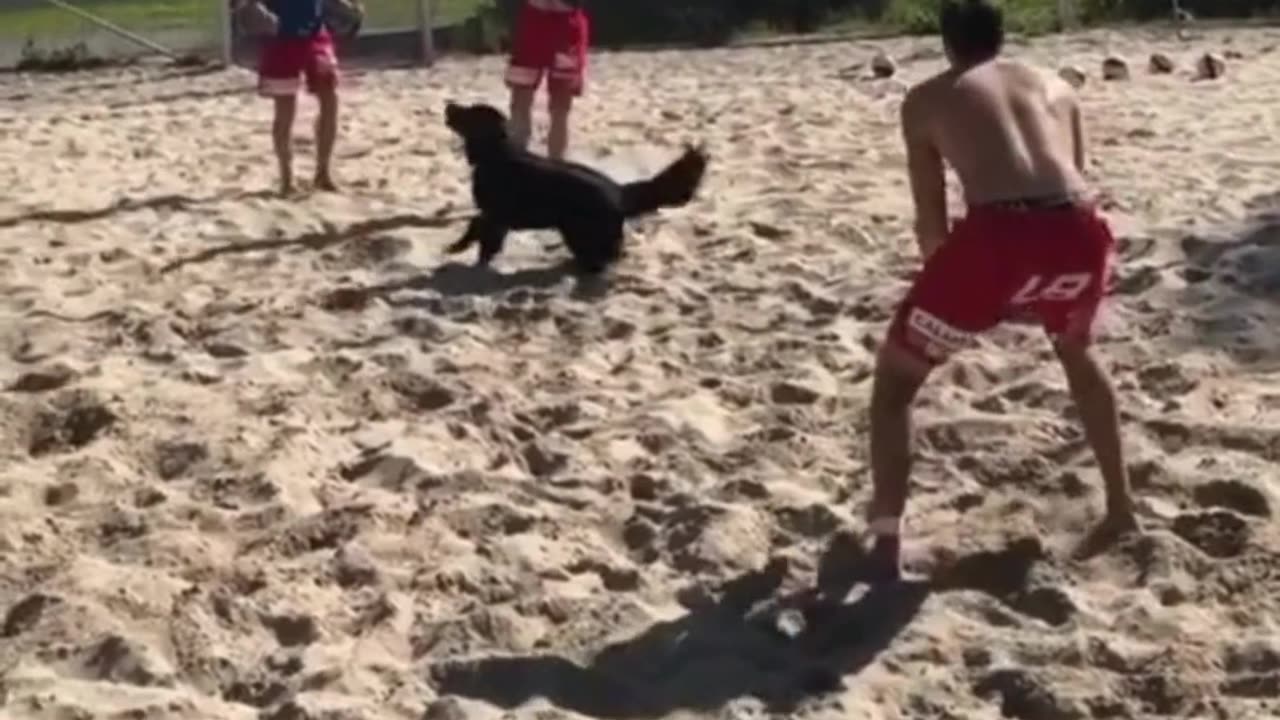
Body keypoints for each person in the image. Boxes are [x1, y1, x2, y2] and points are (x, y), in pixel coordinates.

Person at [864, 0, 1140, 581]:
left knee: (895, 386)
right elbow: (1074, 177)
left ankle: (885, 544)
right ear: (1001, 36)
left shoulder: (927, 98)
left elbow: (930, 219)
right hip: (1080, 231)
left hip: (998, 236)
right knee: (1077, 352)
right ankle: (1120, 507)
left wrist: (953, 294)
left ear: (947, 45)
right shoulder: (1058, 86)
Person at [236, 0, 351, 195]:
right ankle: (287, 179)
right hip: (281, 38)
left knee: (330, 98)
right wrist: (255, 9)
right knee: (285, 109)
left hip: (315, 34)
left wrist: (342, 5)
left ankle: (323, 172)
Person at [504, 0, 590, 161]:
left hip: (559, 22)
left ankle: (552, 165)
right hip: (540, 21)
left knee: (557, 107)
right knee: (525, 102)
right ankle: (520, 161)